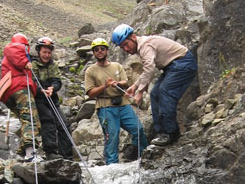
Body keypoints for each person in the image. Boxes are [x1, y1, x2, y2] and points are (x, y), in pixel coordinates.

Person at [111, 24, 198, 147]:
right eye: (122, 47)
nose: (125, 49)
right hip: (172, 67)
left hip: (183, 63)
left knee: (165, 92)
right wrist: (134, 87)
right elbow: (147, 69)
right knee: (155, 93)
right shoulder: (142, 46)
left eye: (126, 44)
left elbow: (150, 69)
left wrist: (140, 92)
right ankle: (161, 133)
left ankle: (171, 133)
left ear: (133, 37)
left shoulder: (146, 45)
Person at [84, 37, 148, 165]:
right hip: (105, 107)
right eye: (96, 50)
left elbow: (125, 82)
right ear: (94, 53)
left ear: (107, 51)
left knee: (138, 129)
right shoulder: (91, 70)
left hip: (123, 104)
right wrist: (105, 86)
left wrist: (118, 83)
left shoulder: (117, 66)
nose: (100, 51)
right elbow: (90, 93)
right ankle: (111, 166)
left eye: (102, 49)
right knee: (112, 137)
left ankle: (143, 156)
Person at [0, 33, 41, 161]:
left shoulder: (7, 56)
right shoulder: (17, 47)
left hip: (7, 92)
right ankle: (30, 152)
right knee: (30, 117)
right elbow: (16, 55)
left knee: (24, 119)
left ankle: (22, 153)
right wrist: (25, 62)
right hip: (20, 88)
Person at [31, 37, 73, 160]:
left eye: (49, 53)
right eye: (44, 52)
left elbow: (57, 80)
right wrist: (40, 90)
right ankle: (51, 152)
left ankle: (66, 155)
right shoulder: (33, 65)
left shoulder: (53, 65)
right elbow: (33, 81)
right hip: (39, 100)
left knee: (64, 125)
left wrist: (52, 88)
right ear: (39, 52)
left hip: (52, 99)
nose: (47, 55)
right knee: (48, 121)